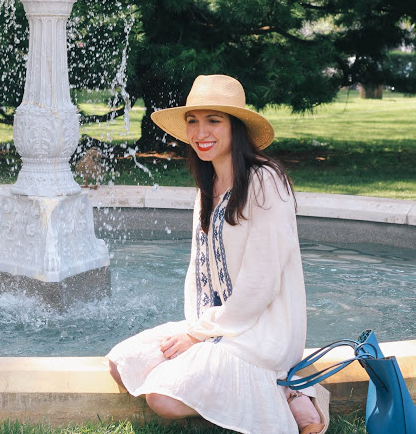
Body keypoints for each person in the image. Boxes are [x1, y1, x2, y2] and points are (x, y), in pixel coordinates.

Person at [107, 74, 330, 434]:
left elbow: (262, 283)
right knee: (123, 363)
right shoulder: (207, 184)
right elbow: (199, 273)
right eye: (193, 122)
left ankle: (286, 389)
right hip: (218, 326)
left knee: (161, 398)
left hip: (262, 333)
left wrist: (197, 337)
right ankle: (274, 390)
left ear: (236, 127)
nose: (200, 133)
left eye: (213, 120)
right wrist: (197, 332)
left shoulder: (265, 182)